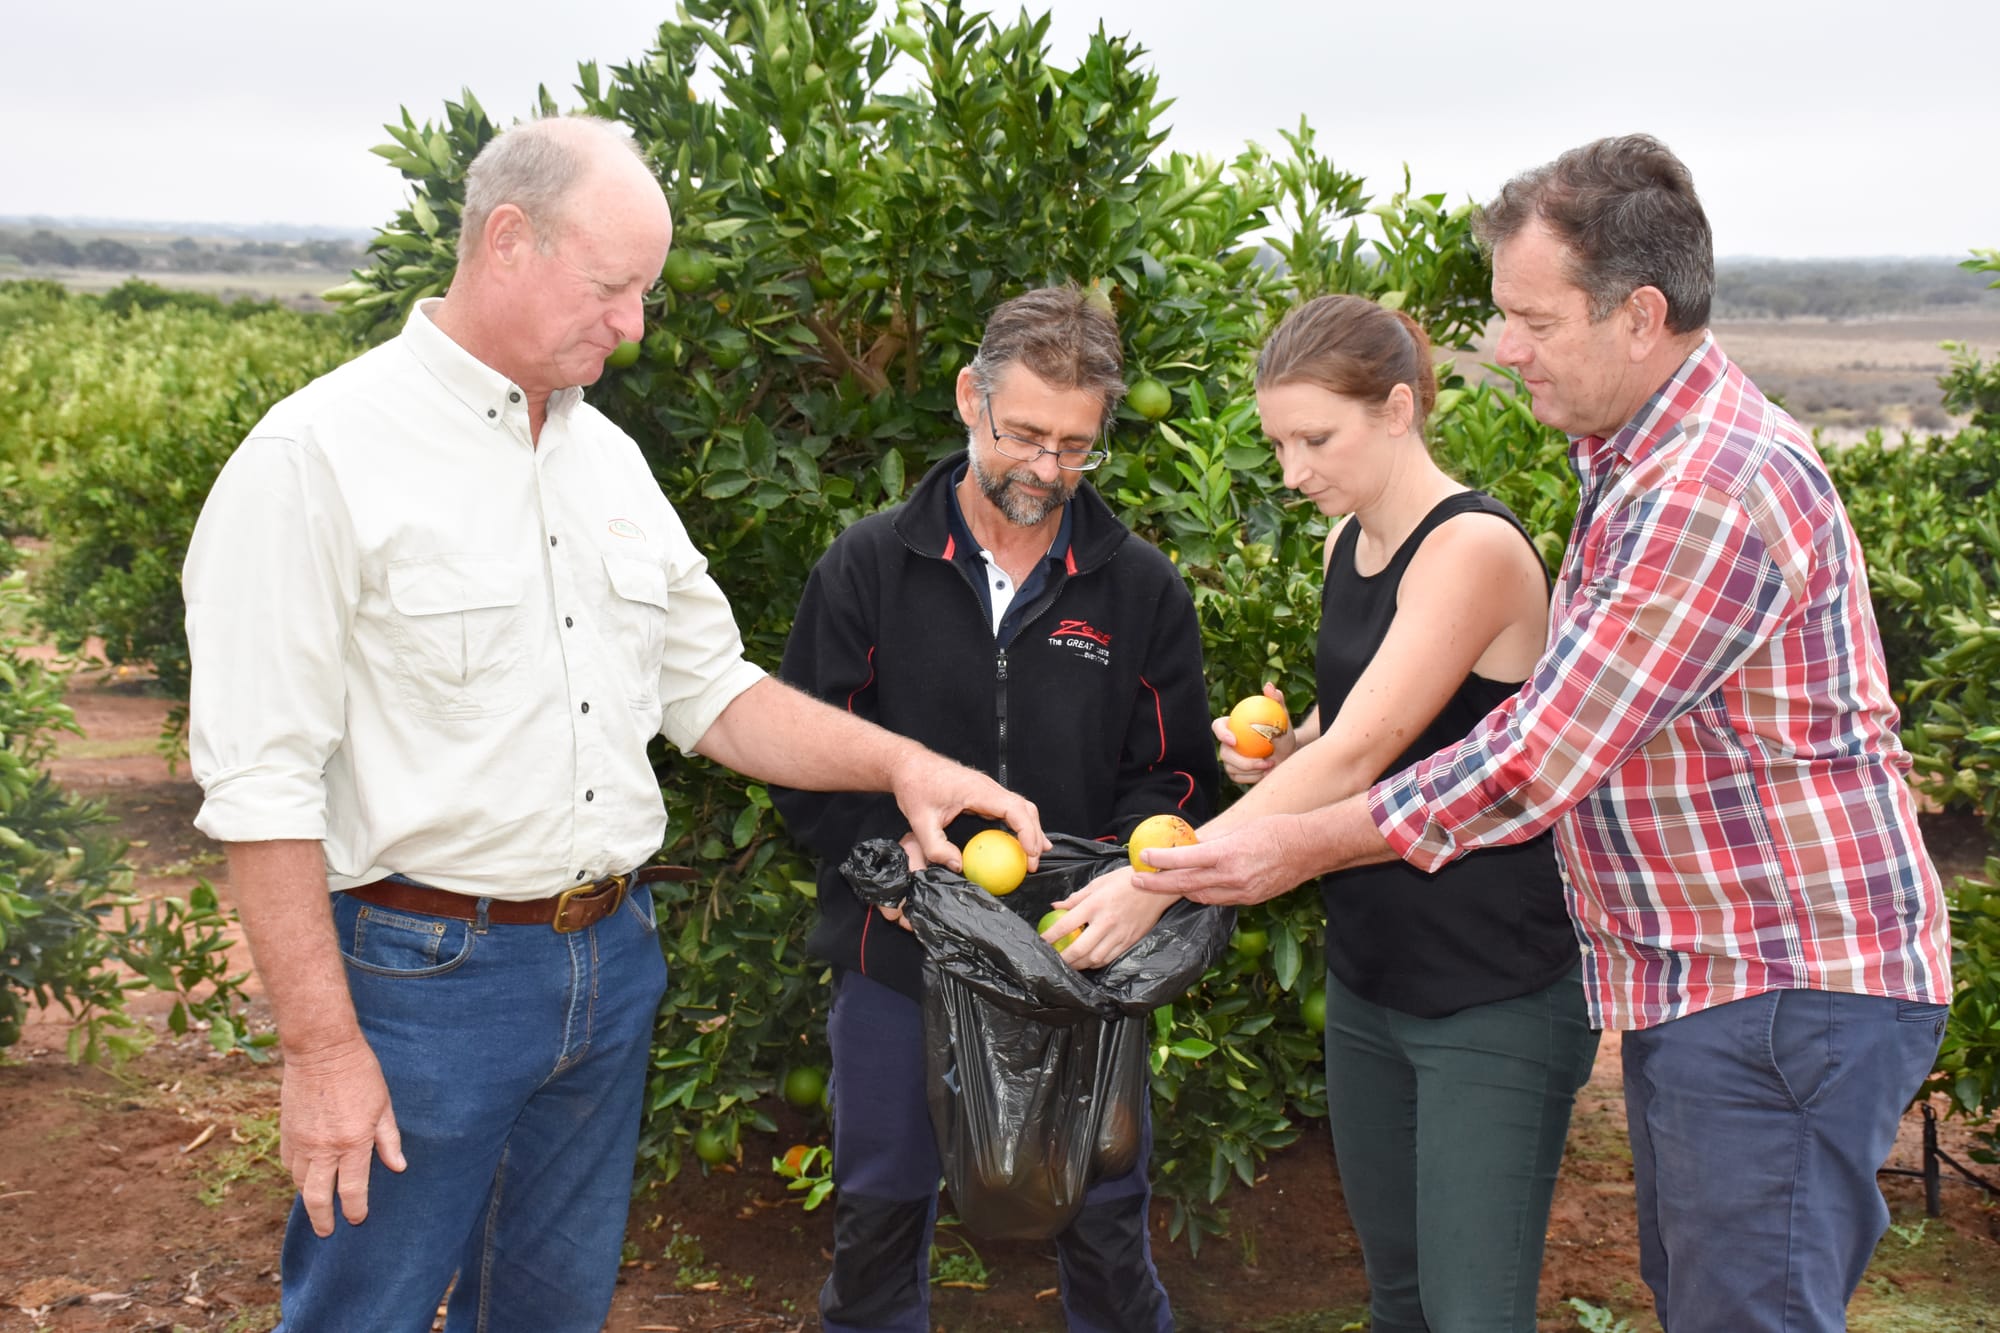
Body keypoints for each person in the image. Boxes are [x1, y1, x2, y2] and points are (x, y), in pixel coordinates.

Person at [181, 114, 1045, 1333]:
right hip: (425, 978)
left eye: (645, 288)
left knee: (551, 1304)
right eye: (612, 286)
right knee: (361, 1312)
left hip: (607, 959)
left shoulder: (604, 463)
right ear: (507, 240)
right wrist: (320, 1049)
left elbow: (710, 690)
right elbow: (260, 786)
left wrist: (903, 762)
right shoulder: (319, 458)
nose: (635, 324)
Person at [1136, 135, 1953, 1333]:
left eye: (1529, 317)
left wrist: (1285, 846)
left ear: (1636, 315)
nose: (1502, 347)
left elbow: (1534, 756)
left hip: (1781, 978)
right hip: (1712, 976)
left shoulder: (1702, 486)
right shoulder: (1631, 460)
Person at [1111, 291, 1606, 1331]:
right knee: (1398, 1303)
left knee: (1471, 1314)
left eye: (1312, 439)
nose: (1292, 472)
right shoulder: (1351, 545)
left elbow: (1365, 750)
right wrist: (1278, 752)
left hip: (1489, 992)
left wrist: (1162, 874)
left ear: (1394, 409)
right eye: (1278, 443)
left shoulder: (1469, 548)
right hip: (1370, 980)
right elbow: (1357, 721)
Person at [771, 286, 1218, 1333]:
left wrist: (1118, 878)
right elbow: (804, 756)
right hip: (899, 957)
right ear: (970, 399)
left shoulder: (1136, 589)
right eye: (1022, 435)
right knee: (878, 1218)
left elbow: (1176, 776)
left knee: (1104, 1216)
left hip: (1077, 965)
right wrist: (885, 870)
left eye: (1075, 446)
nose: (1047, 470)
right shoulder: (868, 568)